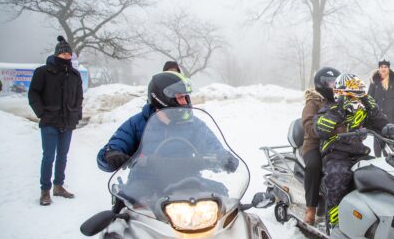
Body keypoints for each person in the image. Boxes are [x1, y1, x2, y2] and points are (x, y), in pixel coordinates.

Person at [97, 71, 239, 207]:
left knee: (221, 197)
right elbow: (112, 148)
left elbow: (211, 145)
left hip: (187, 179)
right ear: (163, 98)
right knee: (126, 205)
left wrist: (224, 157)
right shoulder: (137, 124)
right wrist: (111, 155)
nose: (185, 102)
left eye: (186, 97)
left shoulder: (194, 125)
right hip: (144, 181)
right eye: (180, 97)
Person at [314, 73, 394, 230]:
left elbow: (380, 124)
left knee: (382, 172)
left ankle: (377, 217)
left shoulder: (361, 111)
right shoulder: (328, 110)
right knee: (338, 176)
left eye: (359, 96)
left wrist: (386, 123)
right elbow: (321, 129)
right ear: (341, 95)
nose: (356, 100)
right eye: (352, 96)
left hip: (359, 154)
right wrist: (340, 110)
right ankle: (334, 222)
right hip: (335, 155)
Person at [28, 36, 83, 206]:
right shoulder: (43, 72)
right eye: (63, 53)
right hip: (49, 121)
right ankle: (45, 190)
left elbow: (79, 97)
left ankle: (58, 186)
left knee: (63, 156)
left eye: (69, 53)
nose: (66, 56)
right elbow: (33, 93)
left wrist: (77, 114)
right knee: (49, 156)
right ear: (57, 54)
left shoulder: (74, 74)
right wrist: (41, 113)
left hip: (68, 121)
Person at [301, 66, 340, 225]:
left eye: (334, 82)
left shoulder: (340, 100)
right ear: (321, 83)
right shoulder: (313, 101)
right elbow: (308, 123)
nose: (331, 85)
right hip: (314, 145)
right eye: (328, 82)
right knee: (314, 166)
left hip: (336, 144)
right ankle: (311, 208)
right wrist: (323, 131)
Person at [368, 60, 394, 157]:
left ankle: (390, 161)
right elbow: (369, 99)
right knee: (378, 141)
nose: (383, 68)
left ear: (388, 68)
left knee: (391, 141)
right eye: (381, 67)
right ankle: (378, 160)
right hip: (377, 116)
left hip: (391, 117)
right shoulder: (374, 81)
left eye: (385, 67)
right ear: (379, 68)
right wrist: (370, 114)